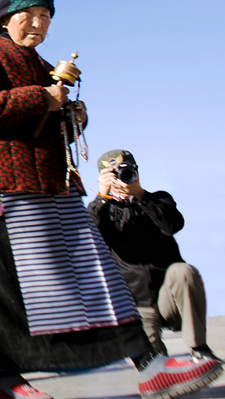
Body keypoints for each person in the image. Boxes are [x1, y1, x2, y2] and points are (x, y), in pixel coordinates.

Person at [0, 0, 220, 399]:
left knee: (95, 280)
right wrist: (42, 97)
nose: (39, 24)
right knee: (7, 296)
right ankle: (6, 383)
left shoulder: (36, 62)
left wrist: (71, 113)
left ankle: (151, 367)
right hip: (6, 197)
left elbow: (43, 115)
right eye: (31, 15)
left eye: (46, 17)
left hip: (50, 192)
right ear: (5, 17)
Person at [88, 150, 222, 377]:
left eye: (126, 171)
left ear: (137, 171)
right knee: (155, 368)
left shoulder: (159, 198)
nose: (122, 177)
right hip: (136, 308)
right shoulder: (103, 210)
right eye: (113, 174)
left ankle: (199, 349)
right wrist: (102, 196)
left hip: (169, 299)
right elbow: (87, 237)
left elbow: (173, 225)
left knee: (183, 271)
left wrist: (141, 196)